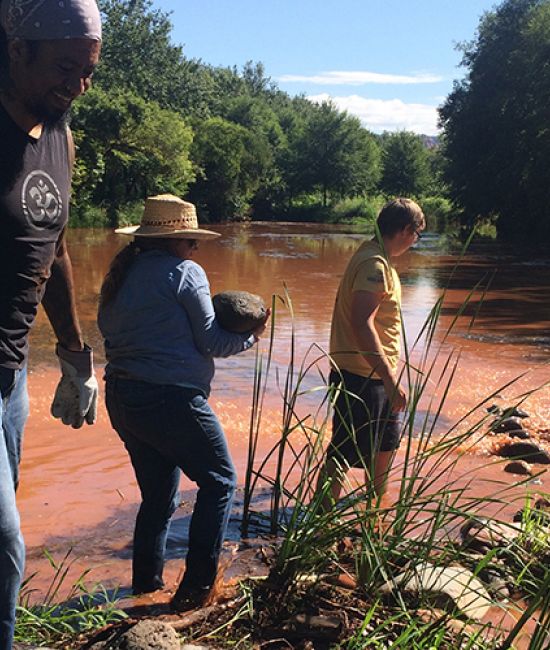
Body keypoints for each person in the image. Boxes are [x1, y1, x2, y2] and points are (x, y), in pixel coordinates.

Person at [97, 194, 268, 612]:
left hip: (122, 397)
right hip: (169, 399)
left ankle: (144, 591)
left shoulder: (121, 273)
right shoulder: (186, 273)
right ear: (176, 241)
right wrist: (253, 337)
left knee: (158, 499)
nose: (195, 248)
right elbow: (211, 341)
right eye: (191, 241)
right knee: (221, 482)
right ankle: (195, 593)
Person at [0, 1, 101, 646]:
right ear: (17, 50)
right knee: (3, 543)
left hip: (11, 381)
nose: (79, 84)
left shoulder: (57, 134)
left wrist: (73, 352)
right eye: (66, 67)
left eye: (89, 71)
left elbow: (55, 246)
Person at [318, 198, 425, 507]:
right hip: (362, 374)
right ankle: (322, 519)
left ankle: (375, 515)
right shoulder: (374, 264)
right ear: (405, 230)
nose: (415, 242)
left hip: (374, 373)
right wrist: (390, 379)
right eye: (417, 235)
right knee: (344, 450)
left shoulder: (375, 256)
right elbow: (362, 323)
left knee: (385, 446)